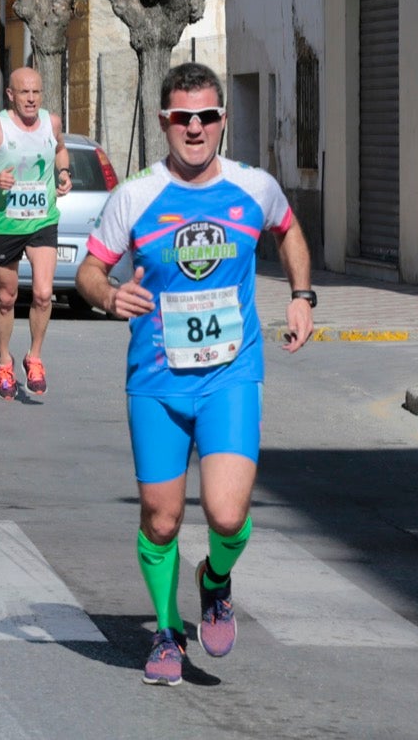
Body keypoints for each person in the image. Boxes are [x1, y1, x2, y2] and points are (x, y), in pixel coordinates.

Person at [76, 62, 315, 687]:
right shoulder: (135, 196)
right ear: (164, 122)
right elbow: (89, 270)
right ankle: (164, 630)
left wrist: (302, 295)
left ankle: (214, 581)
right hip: (156, 381)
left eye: (207, 116)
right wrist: (108, 296)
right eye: (183, 117)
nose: (195, 127)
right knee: (160, 519)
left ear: (222, 121)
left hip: (229, 375)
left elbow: (288, 232)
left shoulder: (254, 187)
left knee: (228, 515)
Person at [0, 67, 72, 399]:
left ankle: (34, 356)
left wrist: (64, 172)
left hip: (42, 220)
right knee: (7, 298)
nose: (31, 99)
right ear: (10, 94)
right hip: (5, 223)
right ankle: (4, 360)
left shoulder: (51, 122)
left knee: (42, 293)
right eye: (24, 93)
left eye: (36, 92)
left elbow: (60, 151)